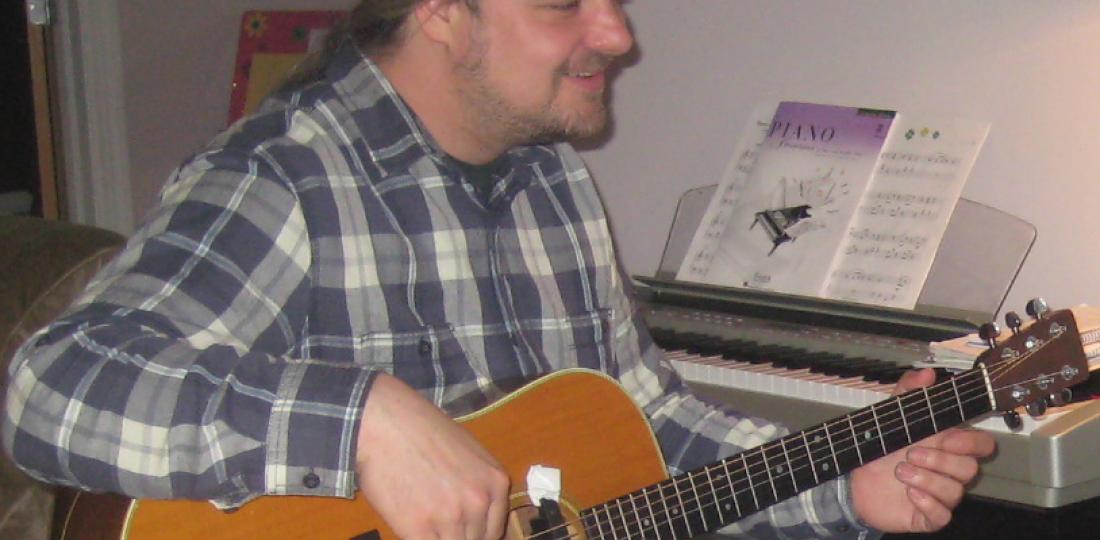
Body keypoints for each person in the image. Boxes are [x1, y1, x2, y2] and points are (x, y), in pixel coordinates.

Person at [3, 1, 993, 538]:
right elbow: (53, 389)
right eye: (565, 3)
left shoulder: (549, 179)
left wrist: (843, 482)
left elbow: (642, 426)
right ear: (441, 12)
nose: (616, 34)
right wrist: (363, 423)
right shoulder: (286, 178)